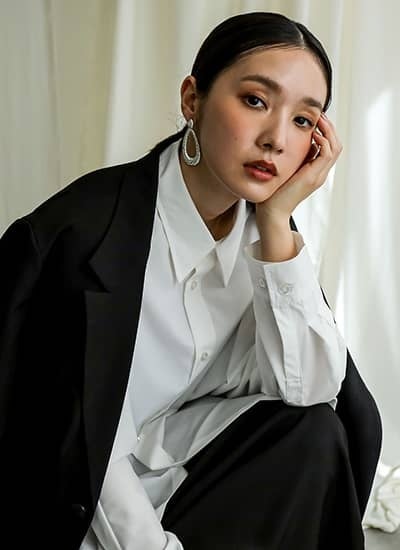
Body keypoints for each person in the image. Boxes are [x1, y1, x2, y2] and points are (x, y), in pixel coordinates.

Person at [0, 11, 381, 550]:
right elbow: (83, 445)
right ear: (192, 100)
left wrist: (276, 222)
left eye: (303, 120)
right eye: (255, 100)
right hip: (79, 507)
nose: (276, 139)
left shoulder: (265, 234)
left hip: (180, 478)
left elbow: (312, 393)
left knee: (314, 435)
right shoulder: (83, 237)